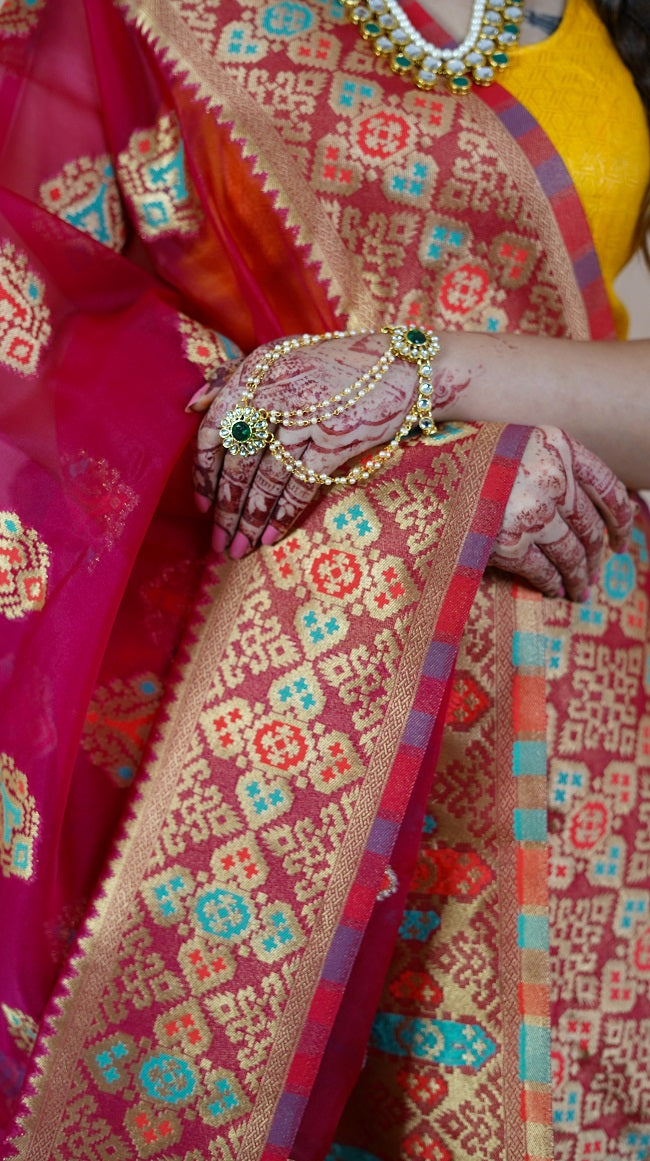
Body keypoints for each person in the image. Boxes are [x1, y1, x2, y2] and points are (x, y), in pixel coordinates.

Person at [0, 0, 648, 1158]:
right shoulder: (116, 18)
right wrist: (423, 475)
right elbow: (41, 355)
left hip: (583, 712)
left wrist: (419, 377)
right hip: (268, 740)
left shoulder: (595, 24)